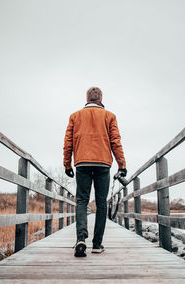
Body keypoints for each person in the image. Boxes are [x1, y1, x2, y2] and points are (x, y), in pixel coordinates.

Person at [63, 87, 127, 257]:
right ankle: (97, 244)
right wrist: (122, 165)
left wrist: (67, 164)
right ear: (101, 99)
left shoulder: (75, 116)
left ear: (87, 98)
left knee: (82, 200)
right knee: (101, 204)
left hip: (82, 163)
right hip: (103, 164)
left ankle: (81, 239)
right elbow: (115, 142)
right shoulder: (109, 116)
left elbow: (68, 142)